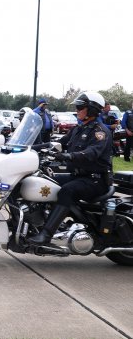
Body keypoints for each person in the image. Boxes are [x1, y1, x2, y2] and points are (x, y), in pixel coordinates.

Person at [29, 92, 112, 245]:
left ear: (92, 109)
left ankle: (46, 235)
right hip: (78, 176)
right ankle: (47, 222)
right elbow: (56, 144)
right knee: (44, 181)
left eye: (80, 107)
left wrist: (69, 156)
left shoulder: (100, 132)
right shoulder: (79, 129)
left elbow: (92, 153)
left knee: (67, 191)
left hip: (95, 180)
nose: (77, 110)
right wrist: (28, 147)